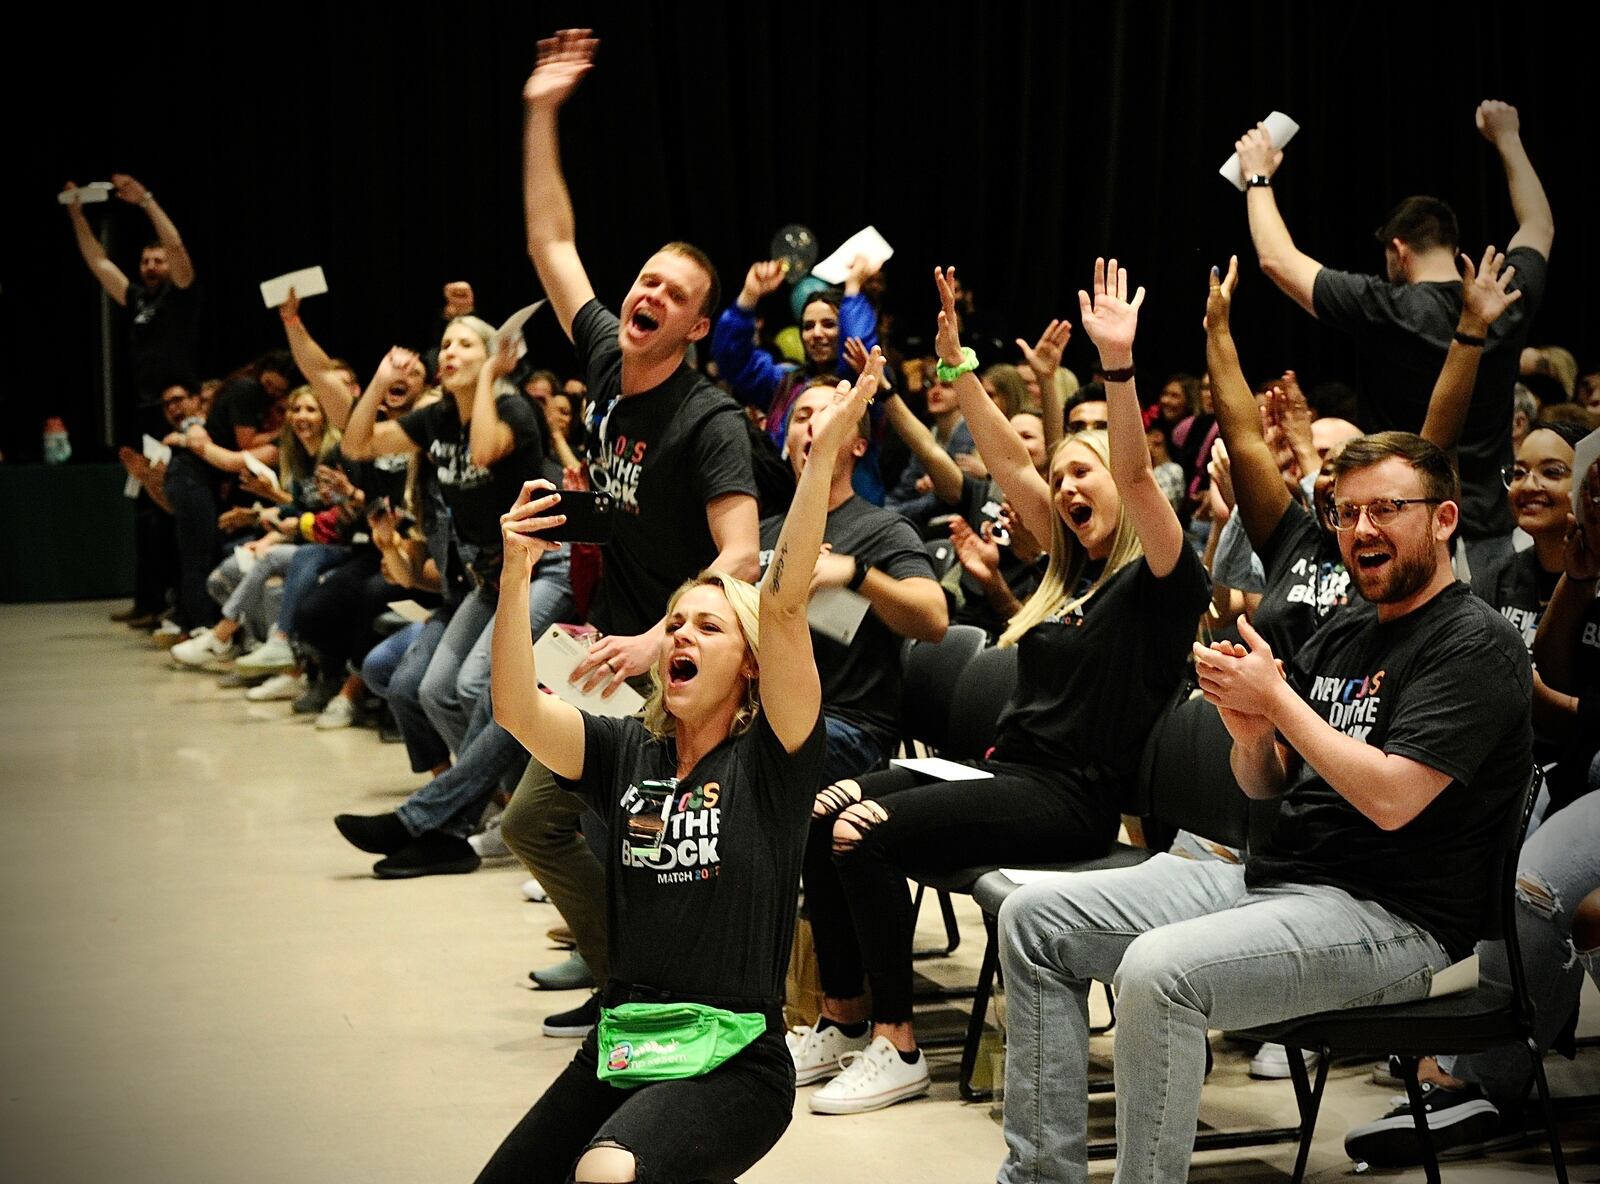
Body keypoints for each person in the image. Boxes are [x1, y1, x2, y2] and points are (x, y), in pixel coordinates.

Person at [996, 420, 1533, 1184]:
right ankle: (1039, 1177)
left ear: (1444, 519)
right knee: (1032, 920)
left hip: (1395, 919)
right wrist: (1249, 732)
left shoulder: (1473, 643)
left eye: (1385, 509)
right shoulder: (1347, 628)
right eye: (1345, 513)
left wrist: (1277, 703)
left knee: (1157, 971)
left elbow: (1391, 800)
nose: (1360, 530)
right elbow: (1266, 784)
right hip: (1276, 878)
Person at [794, 261, 1209, 1115]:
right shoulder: (1069, 575)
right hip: (1000, 774)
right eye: (1061, 480)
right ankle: (841, 1016)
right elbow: (1011, 463)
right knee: (822, 811)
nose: (1064, 487)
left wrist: (1118, 370)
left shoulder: (1161, 583)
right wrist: (957, 370)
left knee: (859, 835)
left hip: (1069, 798)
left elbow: (1134, 475)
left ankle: (897, 1046)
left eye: (1081, 473)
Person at [471, 333, 882, 1184]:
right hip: (626, 1045)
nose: (684, 635)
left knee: (610, 1174)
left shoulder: (775, 756)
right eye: (677, 624)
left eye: (711, 625)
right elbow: (516, 707)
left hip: (735, 1063)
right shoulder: (630, 748)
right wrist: (516, 577)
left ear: (752, 660)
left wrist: (823, 454)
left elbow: (790, 598)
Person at [498, 26, 762, 1036]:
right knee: (549, 820)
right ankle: (626, 969)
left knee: (578, 820)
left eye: (673, 293)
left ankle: (640, 981)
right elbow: (550, 242)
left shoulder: (708, 420)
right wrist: (541, 110)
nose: (645, 295)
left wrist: (664, 639)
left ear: (699, 325)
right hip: (603, 643)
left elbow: (741, 550)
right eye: (645, 281)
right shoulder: (609, 356)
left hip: (676, 657)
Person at [1238, 100, 1553, 575]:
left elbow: (1277, 260)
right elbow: (1539, 225)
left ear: (1398, 249)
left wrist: (1258, 177)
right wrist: (1508, 136)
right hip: (1491, 530)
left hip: (1404, 526)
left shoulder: (1383, 306)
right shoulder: (1504, 299)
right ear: (1452, 245)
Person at [336, 315, 557, 877]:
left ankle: (441, 818)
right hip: (491, 581)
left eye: (466, 344)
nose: (448, 352)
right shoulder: (437, 418)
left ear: (492, 356)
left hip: (544, 570)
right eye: (447, 344)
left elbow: (483, 452)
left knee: (477, 686)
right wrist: (378, 381)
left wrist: (487, 380)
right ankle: (487, 806)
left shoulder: (512, 410)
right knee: (435, 690)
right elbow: (358, 443)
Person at [61, 174, 201, 426]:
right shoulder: (137, 297)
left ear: (171, 265)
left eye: (158, 261)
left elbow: (175, 245)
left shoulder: (181, 291)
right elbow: (99, 263)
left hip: (182, 402)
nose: (150, 266)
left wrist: (145, 200)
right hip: (148, 403)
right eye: (145, 261)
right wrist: (76, 216)